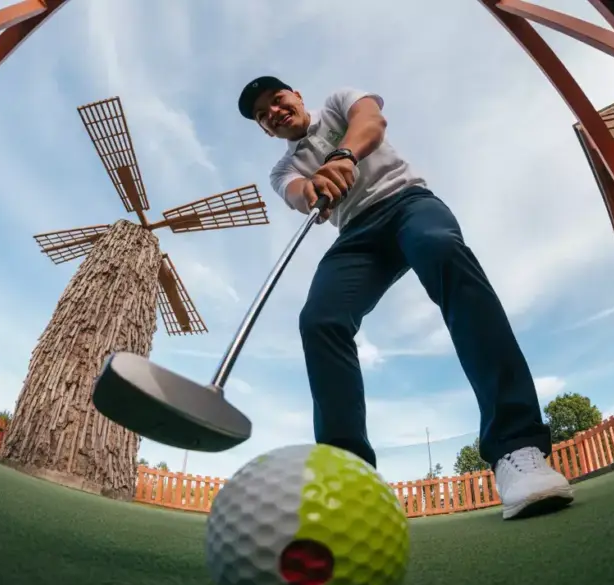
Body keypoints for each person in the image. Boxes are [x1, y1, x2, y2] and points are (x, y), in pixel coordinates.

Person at [237, 76, 573, 520]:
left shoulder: (339, 101)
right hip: (356, 234)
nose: (274, 112)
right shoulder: (283, 169)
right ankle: (350, 484)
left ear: (297, 96)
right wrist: (314, 187)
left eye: (277, 100)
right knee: (320, 320)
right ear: (265, 130)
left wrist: (343, 155)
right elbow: (297, 194)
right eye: (264, 115)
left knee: (443, 250)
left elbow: (371, 122)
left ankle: (517, 447)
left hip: (408, 203)